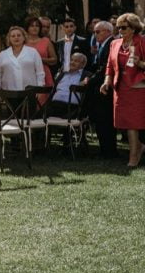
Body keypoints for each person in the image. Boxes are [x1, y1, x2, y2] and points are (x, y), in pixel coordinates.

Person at [101, 13, 145, 167]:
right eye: (118, 27)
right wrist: (106, 81)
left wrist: (140, 64)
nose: (120, 30)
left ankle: (133, 156)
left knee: (133, 123)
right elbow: (109, 65)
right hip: (120, 87)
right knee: (125, 123)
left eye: (124, 27)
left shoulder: (142, 42)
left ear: (133, 28)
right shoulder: (115, 43)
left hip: (138, 87)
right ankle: (138, 147)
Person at [86, 21, 117, 157]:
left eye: (98, 31)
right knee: (101, 119)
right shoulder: (102, 45)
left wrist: (89, 80)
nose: (95, 34)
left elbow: (105, 67)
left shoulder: (111, 44)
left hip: (106, 88)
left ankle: (109, 151)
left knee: (105, 120)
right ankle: (105, 149)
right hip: (100, 88)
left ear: (108, 32)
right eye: (94, 32)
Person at [0, 26, 45, 92]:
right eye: (13, 36)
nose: (16, 37)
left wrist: (40, 89)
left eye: (19, 35)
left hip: (30, 92)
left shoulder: (33, 52)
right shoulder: (3, 54)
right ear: (9, 39)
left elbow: (40, 73)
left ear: (24, 37)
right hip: (8, 92)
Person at [49, 52, 89, 118]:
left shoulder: (86, 75)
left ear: (83, 65)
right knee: (35, 119)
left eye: (76, 61)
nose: (72, 62)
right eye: (71, 60)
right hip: (53, 106)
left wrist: (87, 82)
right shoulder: (62, 74)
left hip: (71, 108)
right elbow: (53, 89)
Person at [26, 16, 56, 103]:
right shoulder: (23, 41)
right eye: (32, 26)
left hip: (44, 74)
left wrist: (39, 59)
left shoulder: (46, 41)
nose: (35, 28)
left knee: (42, 101)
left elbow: (54, 60)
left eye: (37, 26)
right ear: (27, 28)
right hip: (28, 74)